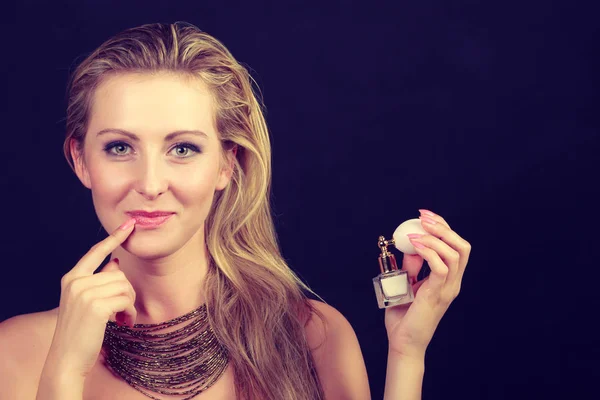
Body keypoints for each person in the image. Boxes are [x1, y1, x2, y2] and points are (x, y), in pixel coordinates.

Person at [0, 22, 471, 400]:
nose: (148, 183)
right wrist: (63, 373)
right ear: (81, 160)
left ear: (226, 164)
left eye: (182, 149)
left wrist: (407, 354)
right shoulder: (16, 353)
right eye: (120, 147)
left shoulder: (313, 335)